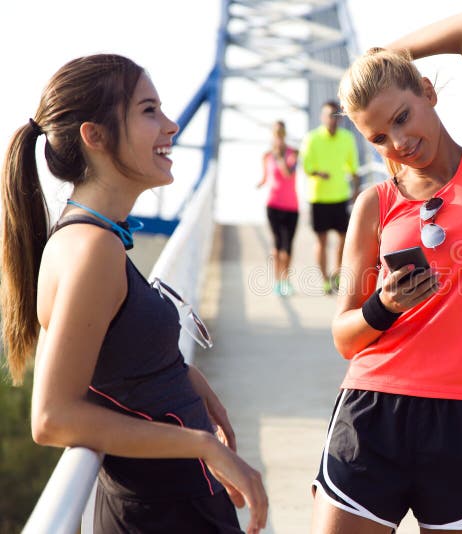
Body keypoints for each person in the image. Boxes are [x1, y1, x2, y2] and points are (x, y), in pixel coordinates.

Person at [0, 54, 268, 533]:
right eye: (149, 111)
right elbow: (52, 417)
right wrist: (202, 445)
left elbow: (117, 362)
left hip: (174, 501)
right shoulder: (91, 250)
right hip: (162, 513)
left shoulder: (97, 237)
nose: (172, 124)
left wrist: (184, 377)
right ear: (95, 136)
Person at [311, 11, 462, 534]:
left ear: (428, 91)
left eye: (402, 117)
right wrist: (383, 306)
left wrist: (381, 56)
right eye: (379, 137)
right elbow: (344, 337)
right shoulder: (375, 204)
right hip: (371, 413)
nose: (398, 142)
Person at [300, 100, 360, 294]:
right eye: (328, 116)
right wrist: (318, 173)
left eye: (335, 116)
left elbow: (354, 169)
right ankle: (325, 280)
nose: (331, 120)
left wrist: (356, 191)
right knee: (322, 241)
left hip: (340, 195)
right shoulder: (311, 138)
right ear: (321, 117)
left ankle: (337, 275)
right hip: (318, 197)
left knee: (344, 238)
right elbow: (306, 166)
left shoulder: (347, 139)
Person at [257, 120, 299, 297]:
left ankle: (286, 281)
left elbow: (288, 173)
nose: (278, 137)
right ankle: (277, 282)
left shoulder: (293, 153)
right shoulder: (266, 156)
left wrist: (280, 157)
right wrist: (259, 184)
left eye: (281, 133)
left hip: (291, 206)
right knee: (276, 245)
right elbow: (265, 177)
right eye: (275, 134)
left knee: (287, 246)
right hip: (273, 204)